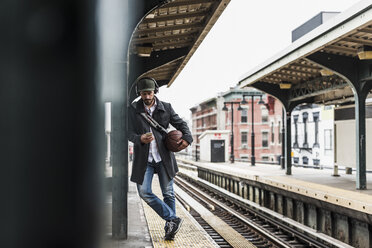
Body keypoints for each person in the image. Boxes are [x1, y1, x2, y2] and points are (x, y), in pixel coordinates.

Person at [128, 77, 193, 240]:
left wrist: (187, 139)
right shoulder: (133, 109)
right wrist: (139, 138)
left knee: (168, 193)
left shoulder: (167, 108)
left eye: (149, 93)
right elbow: (127, 132)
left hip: (164, 158)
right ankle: (172, 218)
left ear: (155, 91)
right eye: (143, 94)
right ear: (139, 94)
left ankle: (170, 229)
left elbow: (181, 124)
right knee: (144, 192)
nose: (147, 97)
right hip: (144, 160)